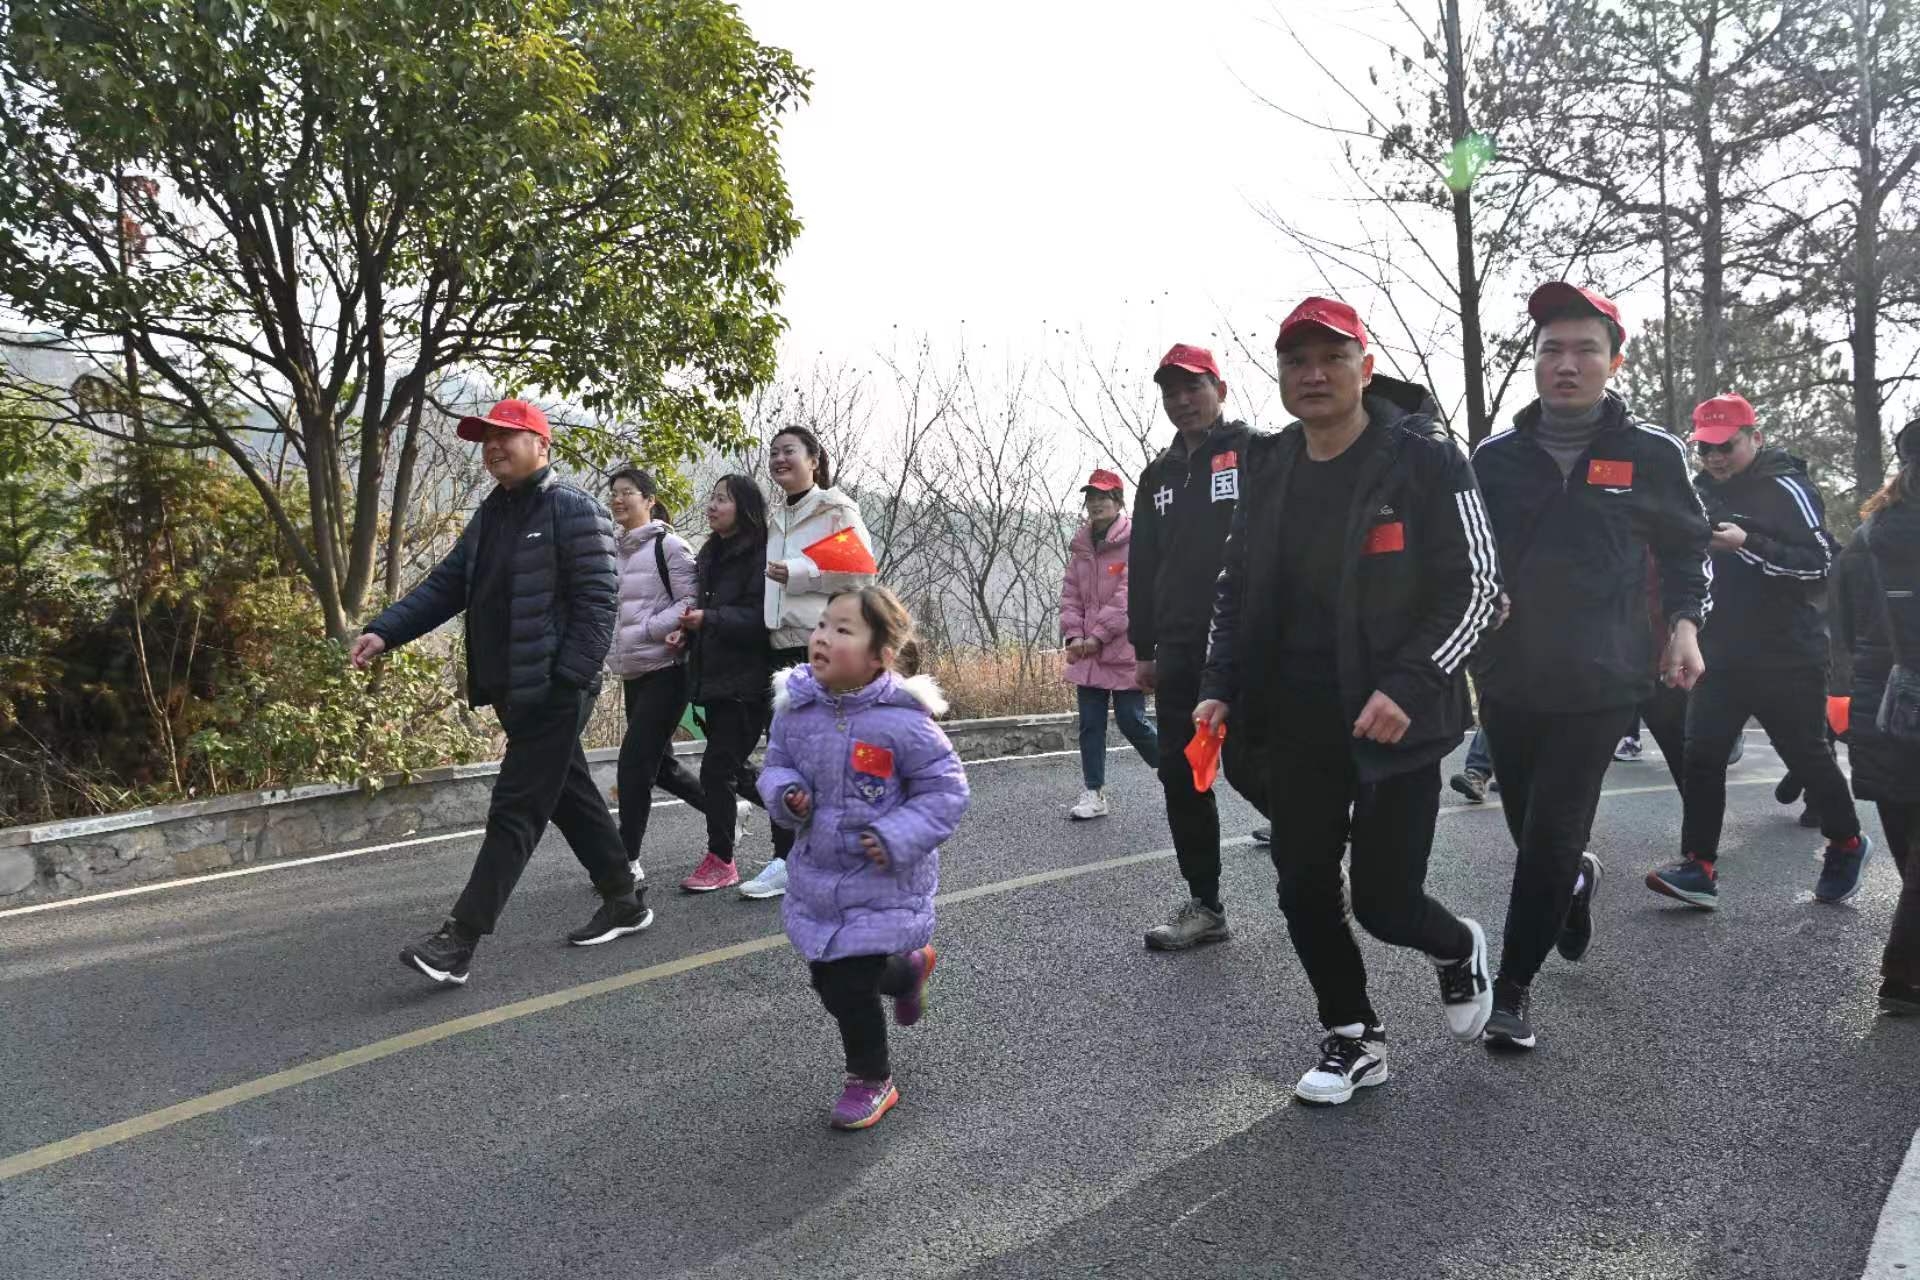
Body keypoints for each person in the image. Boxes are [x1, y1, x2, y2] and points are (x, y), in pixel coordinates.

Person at [1197, 296, 1500, 1103]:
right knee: (1302, 885)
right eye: (1296, 361)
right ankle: (1353, 1035)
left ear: (1366, 368)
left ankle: (1455, 945)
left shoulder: (1426, 459)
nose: (1314, 374)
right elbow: (1236, 589)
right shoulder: (1269, 467)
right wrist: (1218, 687)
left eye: (1332, 358)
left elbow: (1476, 587)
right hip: (1292, 718)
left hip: (1395, 718)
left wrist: (1410, 684)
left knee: (1385, 901)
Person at [1469, 283, 1712, 1049]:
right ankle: (1573, 882)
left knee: (1550, 829)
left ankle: (1512, 987)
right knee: (1525, 824)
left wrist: (1684, 627)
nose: (1565, 365)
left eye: (1583, 350)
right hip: (1509, 674)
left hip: (1605, 675)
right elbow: (1470, 558)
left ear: (1613, 360)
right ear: (1534, 361)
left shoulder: (1652, 454)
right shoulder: (1495, 459)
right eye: (1551, 351)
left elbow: (1687, 550)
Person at [352, 399, 648, 986]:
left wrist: (569, 681)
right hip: (514, 689)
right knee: (567, 792)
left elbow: (598, 604)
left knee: (515, 808)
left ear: (542, 445)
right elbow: (445, 587)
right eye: (486, 438)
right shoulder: (492, 515)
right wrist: (385, 630)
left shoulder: (573, 509)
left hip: (555, 691)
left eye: (507, 435)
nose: (493, 446)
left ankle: (458, 941)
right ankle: (624, 898)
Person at [1645, 393, 1868, 910]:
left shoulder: (1786, 485)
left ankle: (1847, 842)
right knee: (1699, 754)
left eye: (1726, 446)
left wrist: (1748, 543)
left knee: (1807, 756)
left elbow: (1823, 565)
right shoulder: (1694, 492)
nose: (1715, 458)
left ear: (1755, 438)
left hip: (1787, 651)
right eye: (1704, 448)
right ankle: (1699, 866)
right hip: (1718, 652)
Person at [760, 587, 970, 1129]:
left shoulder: (903, 721)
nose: (823, 637)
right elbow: (776, 765)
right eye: (822, 625)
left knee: (849, 984)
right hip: (818, 875)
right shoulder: (796, 708)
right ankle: (906, 972)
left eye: (843, 630)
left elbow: (944, 792)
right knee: (828, 979)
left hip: (882, 881)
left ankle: (871, 1080)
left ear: (881, 655)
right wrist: (786, 795)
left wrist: (898, 834)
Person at [1129, 343, 1258, 950]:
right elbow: (1143, 561)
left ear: (1220, 389)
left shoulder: (1256, 451)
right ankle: (1205, 904)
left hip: (1253, 642)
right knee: (1184, 776)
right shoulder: (1156, 476)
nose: (1183, 401)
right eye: (1171, 393)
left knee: (1263, 768)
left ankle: (1314, 873)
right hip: (1181, 647)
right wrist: (1144, 644)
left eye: (1194, 388)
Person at [745, 425, 878, 900]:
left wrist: (799, 574)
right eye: (774, 453)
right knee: (784, 756)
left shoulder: (832, 508)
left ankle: (839, 851)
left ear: (814, 460)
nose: (780, 459)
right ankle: (789, 857)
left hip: (817, 649)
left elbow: (862, 570)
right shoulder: (777, 516)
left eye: (790, 452)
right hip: (777, 649)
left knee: (826, 756)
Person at [1831, 419, 1920, 1012]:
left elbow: (1836, 629)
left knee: (1910, 844)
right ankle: (1905, 975)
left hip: (1881, 711)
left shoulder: (1866, 539)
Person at [673, 475, 793, 892]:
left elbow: (761, 617)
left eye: (721, 499)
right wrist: (689, 631)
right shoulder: (712, 552)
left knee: (717, 769)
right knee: (737, 771)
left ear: (743, 506)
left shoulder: (760, 552)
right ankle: (801, 819)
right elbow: (711, 610)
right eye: (711, 497)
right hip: (714, 675)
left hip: (747, 677)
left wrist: (710, 620)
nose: (711, 506)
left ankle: (722, 860)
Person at [605, 467, 708, 884]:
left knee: (633, 763)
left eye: (627, 492)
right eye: (613, 493)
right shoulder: (614, 551)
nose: (618, 499)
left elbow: (691, 598)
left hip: (668, 668)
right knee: (659, 766)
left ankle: (625, 860)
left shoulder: (670, 546)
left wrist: (649, 628)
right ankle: (726, 809)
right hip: (634, 670)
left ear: (648, 499)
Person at [1060, 468, 1160, 819]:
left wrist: (1097, 636)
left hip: (1122, 647)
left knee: (1132, 721)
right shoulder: (1081, 547)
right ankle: (1094, 793)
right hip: (1086, 650)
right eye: (1091, 497)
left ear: (1118, 501)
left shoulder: (1136, 541)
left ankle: (1174, 770)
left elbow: (1129, 597)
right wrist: (1074, 636)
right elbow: (1070, 595)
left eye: (1104, 497)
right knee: (1090, 724)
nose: (1096, 503)